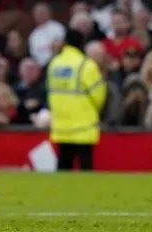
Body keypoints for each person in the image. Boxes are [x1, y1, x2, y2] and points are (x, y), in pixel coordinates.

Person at [45, 28, 107, 170]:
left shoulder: (54, 64)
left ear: (65, 42)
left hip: (61, 125)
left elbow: (49, 91)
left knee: (63, 167)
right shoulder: (86, 65)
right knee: (85, 168)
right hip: (84, 126)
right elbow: (99, 95)